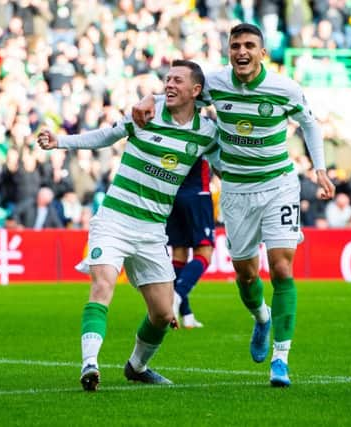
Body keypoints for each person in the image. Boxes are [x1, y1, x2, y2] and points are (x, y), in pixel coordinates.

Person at [132, 23, 335, 387]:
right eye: (235, 45)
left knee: (282, 268)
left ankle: (281, 359)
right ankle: (261, 318)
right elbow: (182, 91)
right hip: (237, 191)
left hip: (279, 185)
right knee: (245, 273)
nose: (241, 52)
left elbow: (310, 123)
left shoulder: (284, 88)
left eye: (249, 46)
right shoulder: (216, 83)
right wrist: (152, 98)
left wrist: (319, 169)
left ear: (262, 53)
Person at [37, 60, 218, 391]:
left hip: (151, 232)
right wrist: (61, 142)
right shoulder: (145, 115)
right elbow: (106, 136)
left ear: (195, 90)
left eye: (178, 80)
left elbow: (227, 159)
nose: (169, 85)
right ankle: (89, 364)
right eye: (166, 80)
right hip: (115, 220)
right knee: (103, 284)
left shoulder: (206, 133)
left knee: (163, 314)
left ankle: (137, 366)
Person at [169, 157, 217, 329]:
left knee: (179, 255)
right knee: (204, 253)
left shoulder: (169, 130)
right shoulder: (204, 129)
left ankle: (186, 314)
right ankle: (177, 296)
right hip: (198, 195)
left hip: (174, 196)